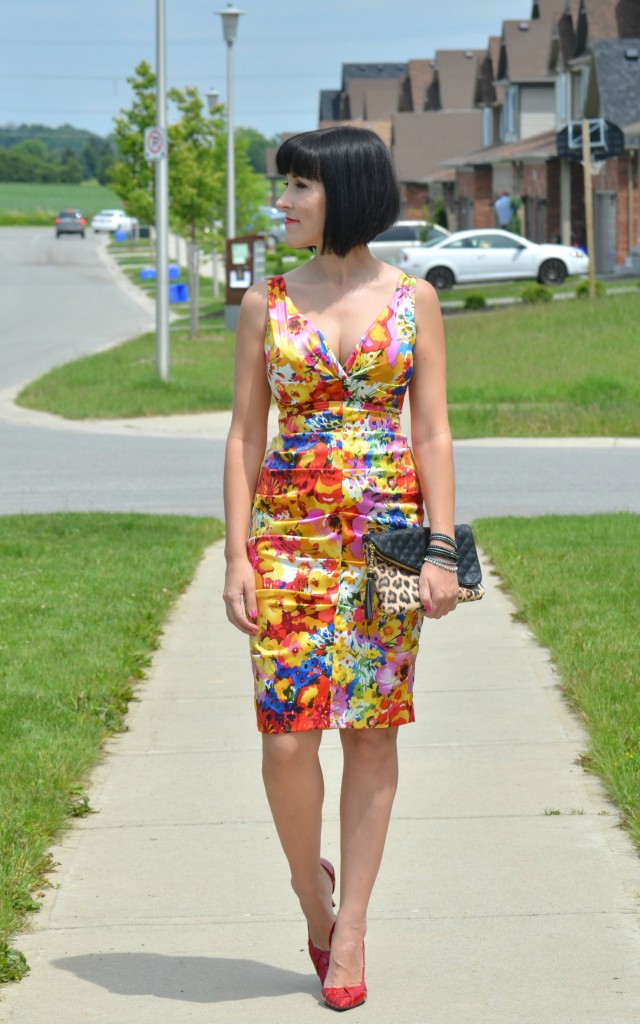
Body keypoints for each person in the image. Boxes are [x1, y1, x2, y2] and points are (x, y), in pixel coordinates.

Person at [223, 125, 457, 1012]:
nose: (281, 202)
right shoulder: (266, 302)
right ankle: (309, 895)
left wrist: (440, 547)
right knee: (286, 736)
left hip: (390, 542)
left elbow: (431, 430)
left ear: (345, 192)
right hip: (286, 539)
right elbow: (247, 434)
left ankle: (350, 923)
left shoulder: (414, 299)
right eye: (284, 187)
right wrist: (236, 550)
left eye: (297, 188)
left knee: (372, 728)